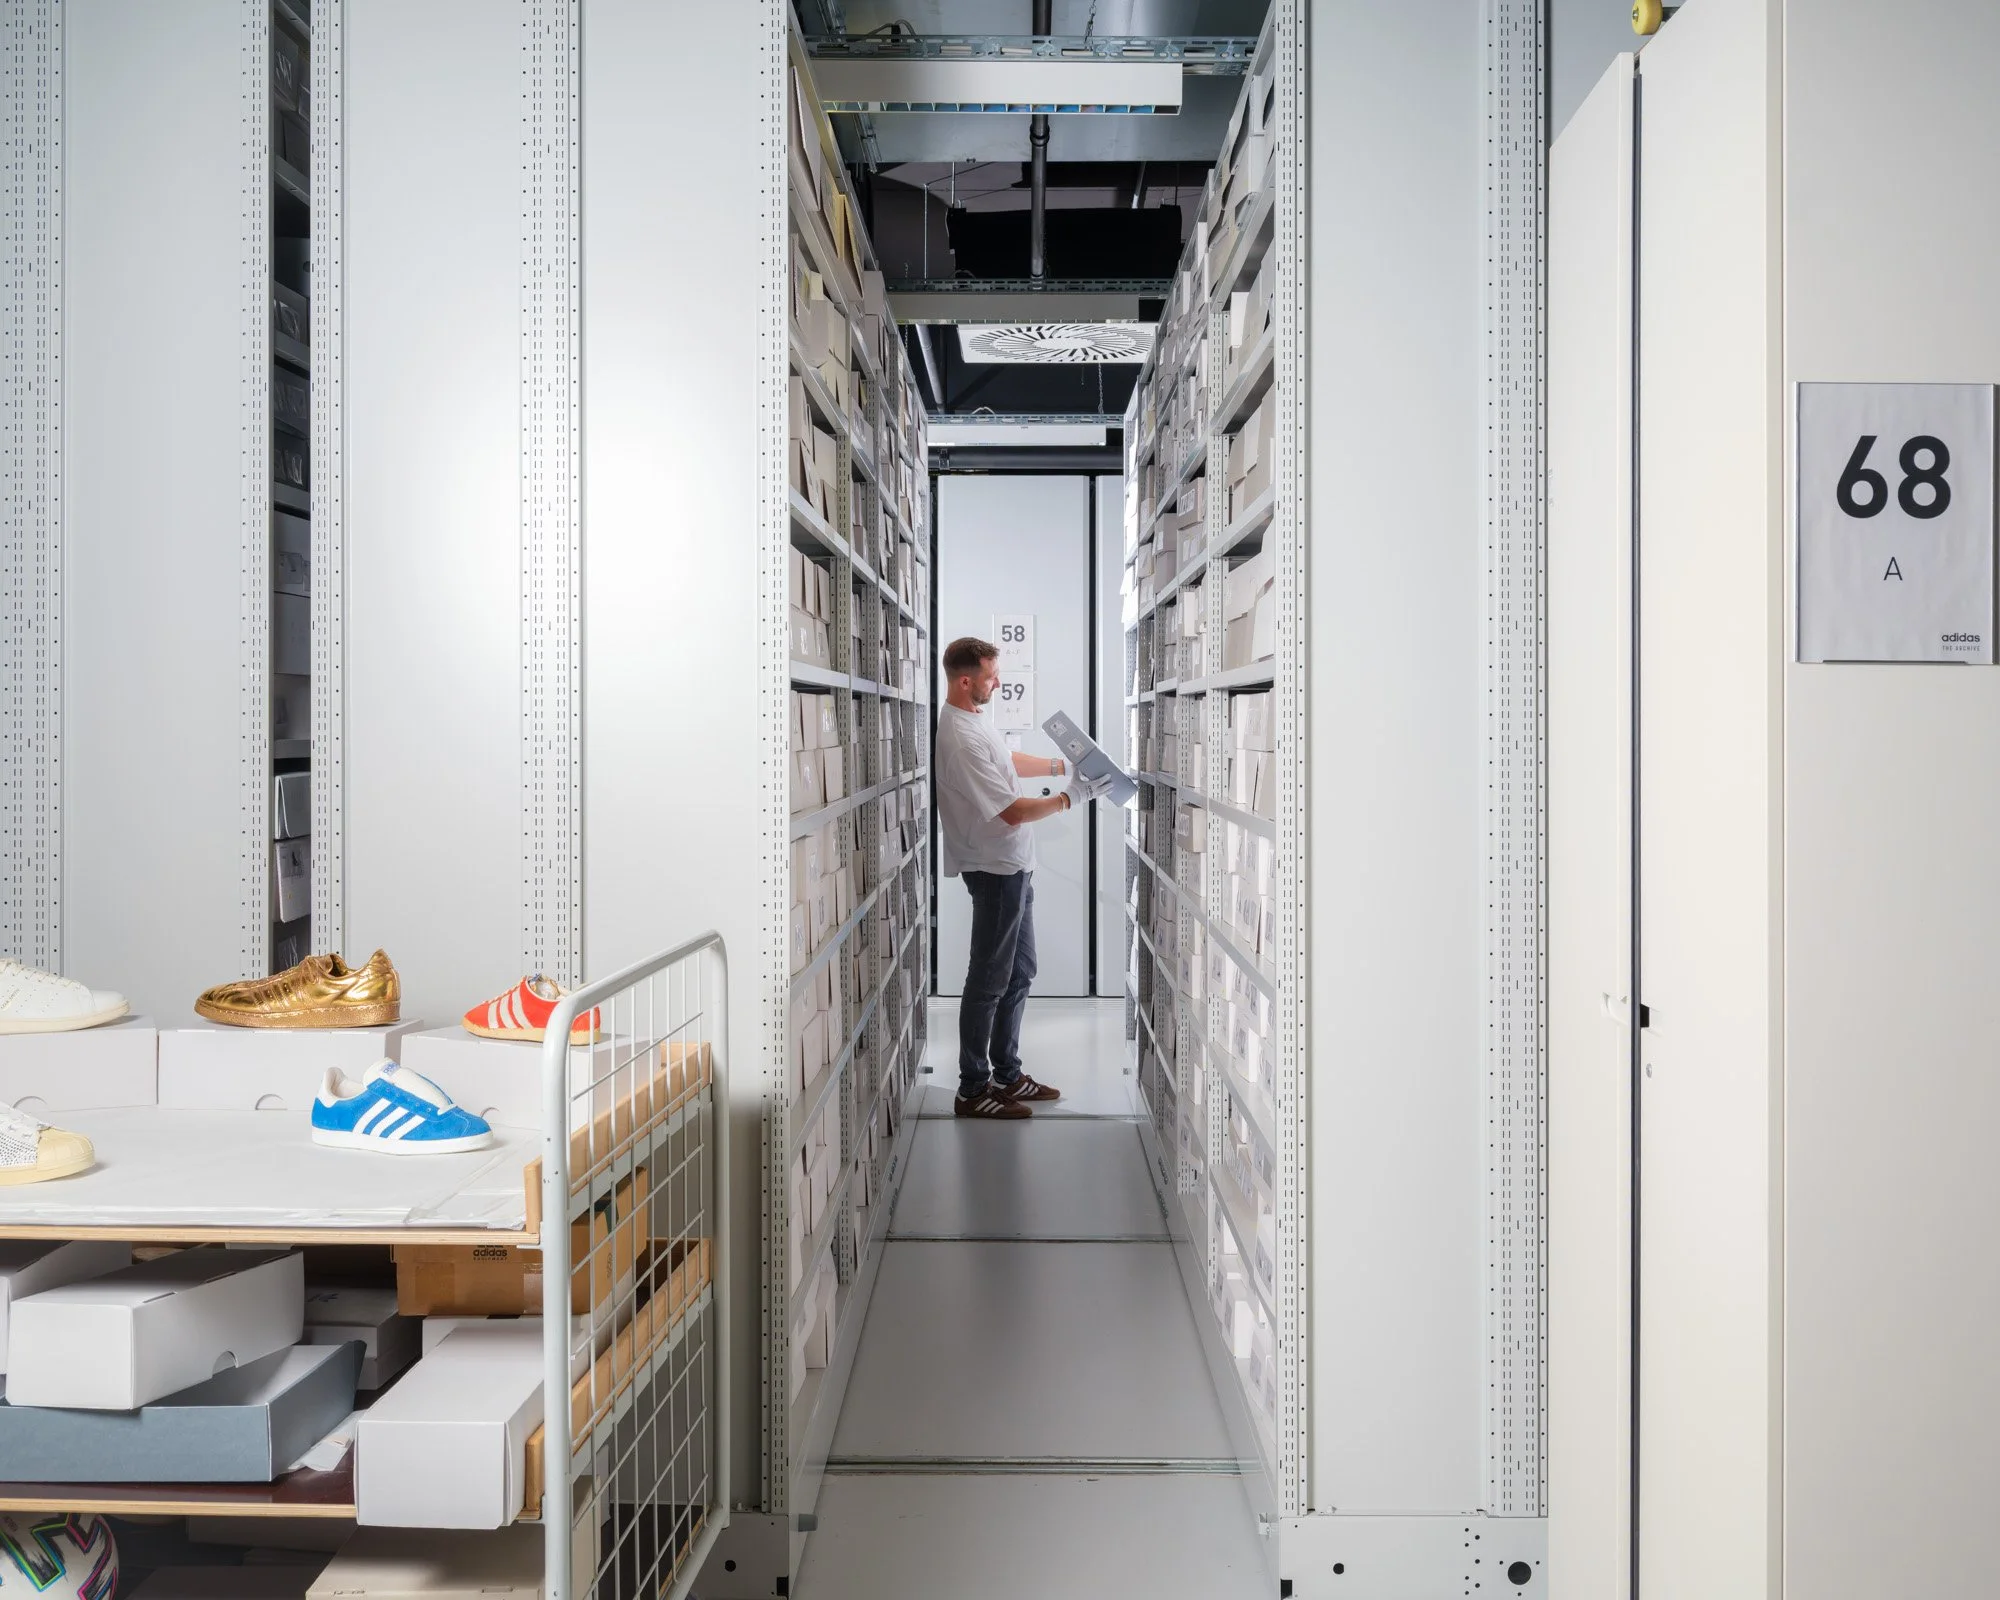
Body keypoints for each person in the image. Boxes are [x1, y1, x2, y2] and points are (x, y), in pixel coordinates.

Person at [934, 636, 1111, 1119]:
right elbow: (1011, 812)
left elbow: (1008, 762)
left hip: (1014, 867)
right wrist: (1072, 796)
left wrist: (1063, 764)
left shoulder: (974, 720)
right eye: (992, 676)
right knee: (989, 979)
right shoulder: (958, 738)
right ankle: (973, 1089)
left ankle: (1007, 1075)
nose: (999, 682)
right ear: (966, 680)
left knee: (1020, 972)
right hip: (993, 871)